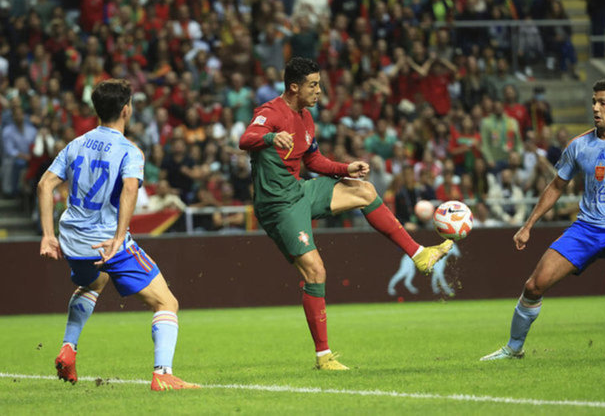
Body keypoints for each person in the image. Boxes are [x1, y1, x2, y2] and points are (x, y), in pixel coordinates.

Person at [239, 58, 452, 370]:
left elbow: (314, 161)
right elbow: (245, 139)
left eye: (319, 84)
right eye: (313, 85)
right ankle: (323, 357)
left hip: (300, 191)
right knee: (316, 272)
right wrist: (270, 137)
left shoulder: (306, 118)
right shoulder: (270, 112)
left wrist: (345, 168)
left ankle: (419, 254)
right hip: (278, 205)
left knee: (364, 190)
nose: (319, 91)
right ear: (294, 87)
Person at [37, 79, 199, 390]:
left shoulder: (76, 144)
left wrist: (47, 235)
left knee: (94, 281)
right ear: (126, 110)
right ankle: (163, 375)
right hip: (106, 242)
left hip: (72, 241)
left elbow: (45, 185)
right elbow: (129, 189)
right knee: (167, 303)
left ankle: (68, 348)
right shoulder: (129, 151)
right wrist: (118, 237)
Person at [481, 79, 605, 361]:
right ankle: (514, 347)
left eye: (603, 103)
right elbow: (556, 186)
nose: (596, 108)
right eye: (594, 102)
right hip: (585, 229)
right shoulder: (579, 145)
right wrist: (528, 225)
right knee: (534, 285)